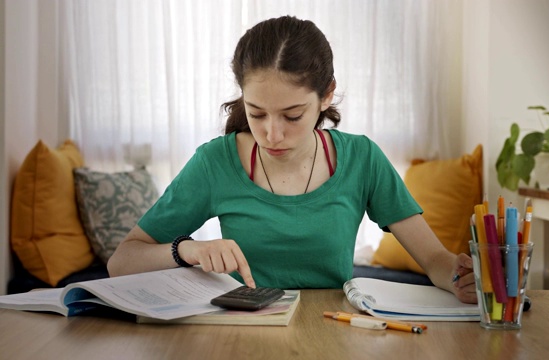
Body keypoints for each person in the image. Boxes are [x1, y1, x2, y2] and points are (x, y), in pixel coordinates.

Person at [107, 15, 477, 304]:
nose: (272, 133)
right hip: (240, 333)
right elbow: (121, 262)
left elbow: (435, 262)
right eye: (256, 113)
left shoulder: (362, 158)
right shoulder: (214, 162)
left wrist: (462, 277)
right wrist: (186, 249)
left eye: (292, 115)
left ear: (326, 96)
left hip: (333, 332)